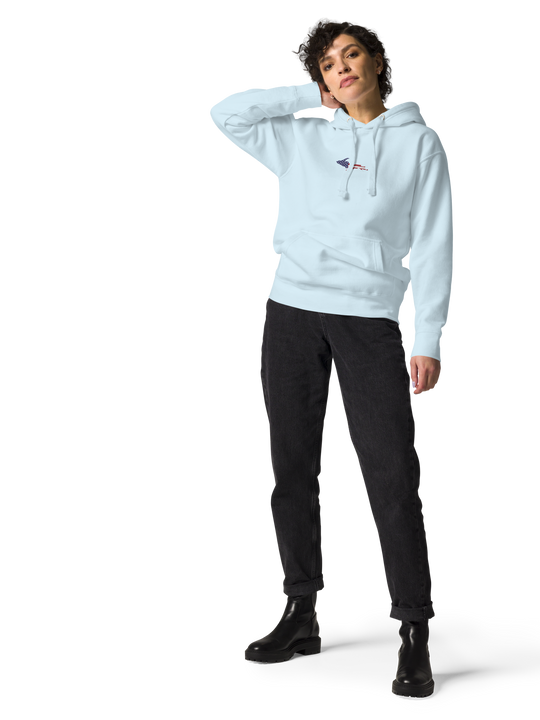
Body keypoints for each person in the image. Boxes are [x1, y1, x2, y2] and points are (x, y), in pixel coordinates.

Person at [207, 15, 454, 698]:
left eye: (350, 55)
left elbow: (434, 243)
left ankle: (413, 632)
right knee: (290, 468)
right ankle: (300, 611)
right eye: (327, 64)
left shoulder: (420, 142)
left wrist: (427, 338)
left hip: (369, 320)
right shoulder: (300, 135)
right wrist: (309, 99)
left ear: (377, 61)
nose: (341, 68)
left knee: (391, 474)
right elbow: (223, 112)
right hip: (288, 312)